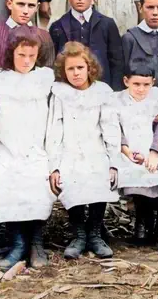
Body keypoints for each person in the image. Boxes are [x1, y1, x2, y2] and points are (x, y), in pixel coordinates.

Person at [0, 27, 56, 268]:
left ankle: (36, 242)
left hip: (37, 146)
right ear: (10, 53)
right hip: (6, 146)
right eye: (21, 56)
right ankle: (17, 243)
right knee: (7, 180)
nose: (26, 61)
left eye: (31, 57)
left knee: (38, 182)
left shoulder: (45, 77)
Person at [46, 42, 120, 260]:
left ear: (90, 68)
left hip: (96, 149)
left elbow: (110, 128)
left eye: (80, 68)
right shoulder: (60, 93)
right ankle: (79, 234)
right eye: (70, 69)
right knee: (71, 178)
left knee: (100, 175)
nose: (76, 73)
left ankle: (95, 233)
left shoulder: (102, 92)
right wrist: (55, 166)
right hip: (69, 150)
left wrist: (113, 162)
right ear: (63, 71)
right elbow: (54, 130)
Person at [109, 63, 158, 245]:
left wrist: (154, 153)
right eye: (136, 84)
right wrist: (127, 151)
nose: (141, 89)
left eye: (146, 85)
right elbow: (117, 130)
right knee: (135, 174)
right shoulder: (116, 100)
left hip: (154, 147)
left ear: (153, 82)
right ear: (126, 81)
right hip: (129, 150)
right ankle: (142, 223)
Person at [49, 0, 125, 90]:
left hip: (102, 90)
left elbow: (117, 63)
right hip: (69, 91)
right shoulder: (57, 27)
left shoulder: (107, 24)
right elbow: (53, 64)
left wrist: (115, 92)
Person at [0, 0, 55, 75]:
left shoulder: (44, 36)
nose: (25, 11)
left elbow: (48, 73)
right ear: (9, 4)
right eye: (21, 4)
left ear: (37, 7)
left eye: (31, 6)